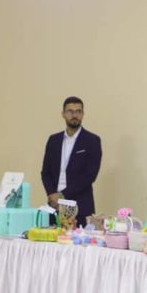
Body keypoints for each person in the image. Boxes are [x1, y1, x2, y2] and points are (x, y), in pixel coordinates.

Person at [40, 96, 102, 226]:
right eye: (70, 111)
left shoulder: (92, 141)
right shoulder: (53, 140)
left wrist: (62, 195)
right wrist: (52, 194)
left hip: (80, 206)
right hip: (54, 206)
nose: (74, 115)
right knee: (51, 237)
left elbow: (90, 176)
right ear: (63, 114)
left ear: (83, 114)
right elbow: (45, 172)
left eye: (78, 111)